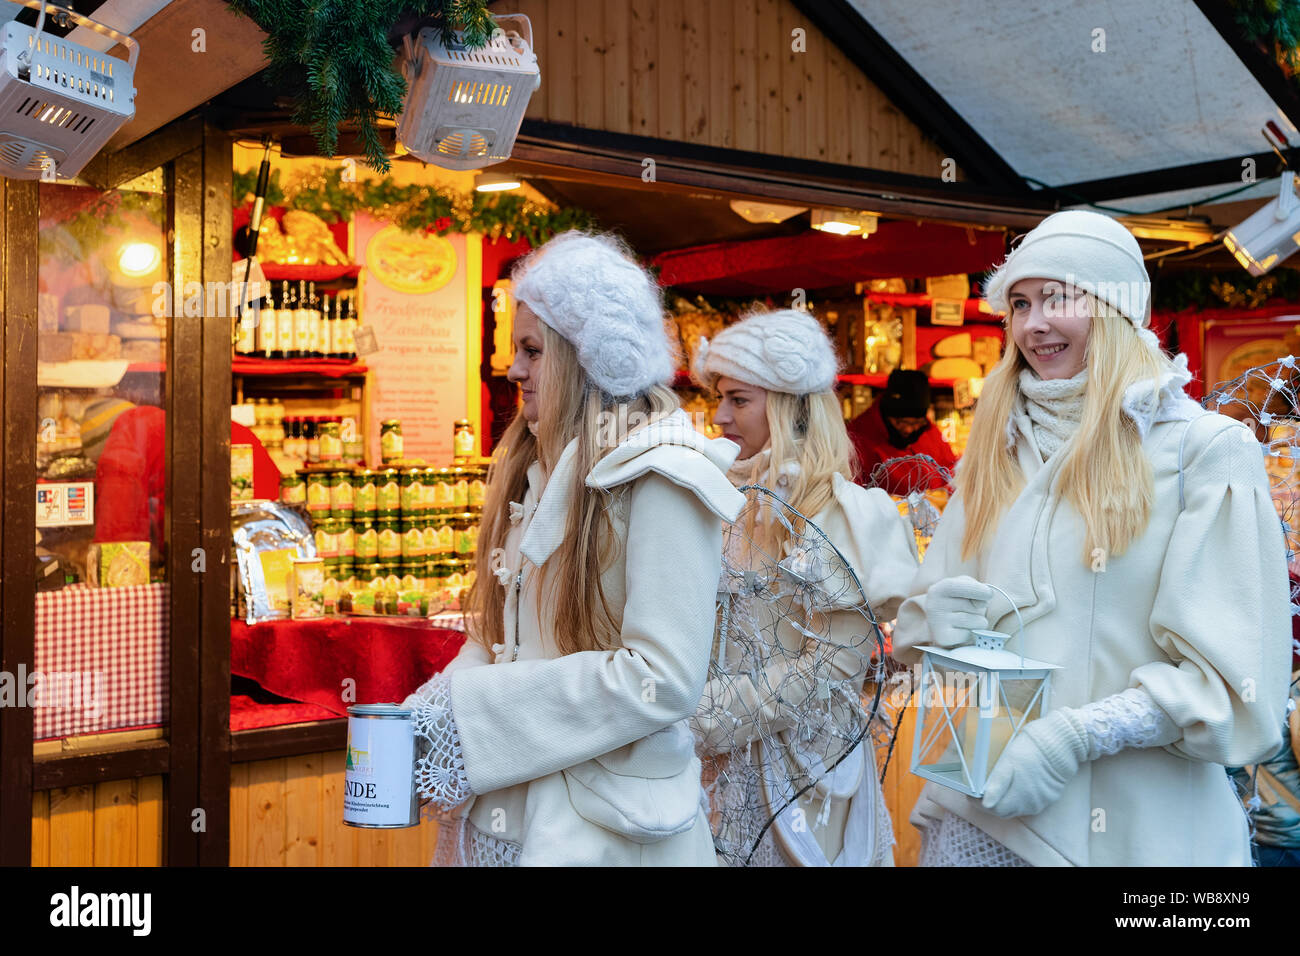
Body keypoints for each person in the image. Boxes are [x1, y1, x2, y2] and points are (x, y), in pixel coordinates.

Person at [892, 209, 1293, 866]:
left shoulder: (1202, 452)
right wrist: (935, 616)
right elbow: (916, 632)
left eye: (1058, 297)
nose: (1033, 323)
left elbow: (1232, 687)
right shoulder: (995, 448)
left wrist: (1073, 738)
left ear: (1114, 308)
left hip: (1142, 842)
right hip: (982, 820)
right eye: (1019, 303)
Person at [401, 231, 746, 866]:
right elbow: (504, 636)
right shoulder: (535, 469)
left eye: (533, 350)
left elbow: (662, 680)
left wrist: (471, 715)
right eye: (515, 349)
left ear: (589, 359)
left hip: (606, 834)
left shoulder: (665, 477)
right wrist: (429, 716)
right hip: (507, 817)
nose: (513, 370)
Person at [689, 308, 919, 866]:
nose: (718, 416)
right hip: (710, 775)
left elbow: (828, 671)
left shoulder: (844, 515)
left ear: (791, 406)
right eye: (718, 398)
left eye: (739, 400)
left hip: (804, 782)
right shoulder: (718, 499)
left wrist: (700, 714)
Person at [848, 369, 957, 496]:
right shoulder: (857, 439)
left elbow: (950, 469)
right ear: (887, 413)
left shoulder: (928, 430)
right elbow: (853, 494)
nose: (908, 429)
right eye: (901, 422)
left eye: (915, 423)